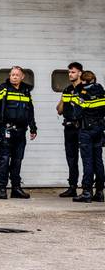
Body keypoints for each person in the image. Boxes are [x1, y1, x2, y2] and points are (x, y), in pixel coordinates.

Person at [0, 66, 37, 199]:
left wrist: (33, 128)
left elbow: (30, 111)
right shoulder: (3, 89)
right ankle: (2, 188)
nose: (14, 77)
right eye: (12, 75)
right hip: (6, 130)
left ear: (22, 77)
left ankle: (16, 189)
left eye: (17, 75)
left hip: (21, 131)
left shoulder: (26, 90)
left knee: (17, 160)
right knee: (4, 159)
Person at [72, 70, 105, 203]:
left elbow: (77, 113)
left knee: (87, 161)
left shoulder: (80, 93)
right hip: (99, 129)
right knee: (98, 161)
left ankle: (86, 192)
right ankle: (100, 192)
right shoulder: (101, 91)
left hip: (86, 130)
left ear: (84, 81)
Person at [56, 62, 84, 198]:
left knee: (86, 157)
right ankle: (72, 187)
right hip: (69, 128)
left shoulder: (85, 89)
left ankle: (88, 188)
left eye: (73, 72)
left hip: (82, 127)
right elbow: (59, 110)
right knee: (71, 158)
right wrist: (63, 98)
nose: (70, 74)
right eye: (69, 72)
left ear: (80, 73)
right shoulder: (67, 90)